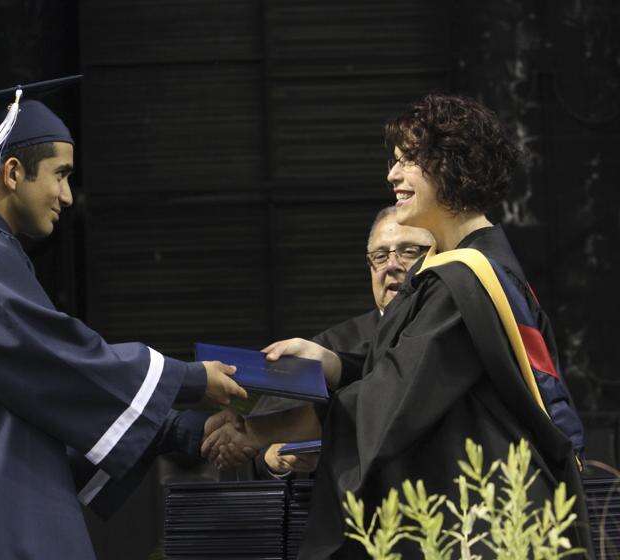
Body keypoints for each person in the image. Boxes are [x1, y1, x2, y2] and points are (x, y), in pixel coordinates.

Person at [202, 93, 590, 559]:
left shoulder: (463, 282)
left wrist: (257, 432)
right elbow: (405, 366)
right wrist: (333, 364)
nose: (392, 175)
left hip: (485, 529)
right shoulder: (474, 268)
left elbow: (389, 402)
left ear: (451, 166)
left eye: (408, 160)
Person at [0, 77, 247, 560]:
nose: (68, 196)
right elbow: (52, 359)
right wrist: (189, 378)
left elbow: (47, 394)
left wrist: (183, 430)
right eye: (60, 174)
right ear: (14, 172)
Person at [256, 207, 433, 478]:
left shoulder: (458, 332)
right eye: (380, 256)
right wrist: (274, 458)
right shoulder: (328, 348)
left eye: (408, 251)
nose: (392, 265)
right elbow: (261, 449)